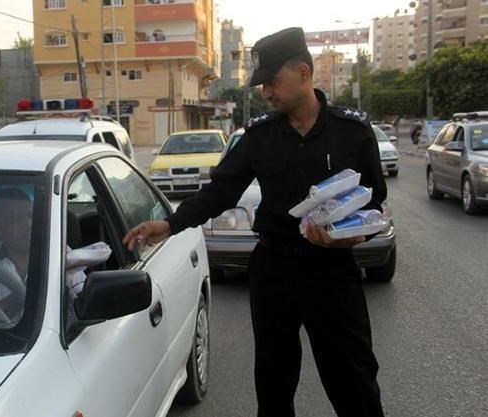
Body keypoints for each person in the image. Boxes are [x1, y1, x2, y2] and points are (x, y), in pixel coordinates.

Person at [122, 27, 387, 417]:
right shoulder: (259, 136)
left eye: (273, 82)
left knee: (353, 379)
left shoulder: (352, 131)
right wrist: (170, 224)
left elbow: (374, 199)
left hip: (332, 271)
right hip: (274, 269)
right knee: (273, 381)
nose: (266, 93)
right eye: (262, 85)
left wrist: (349, 237)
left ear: (303, 72)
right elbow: (221, 191)